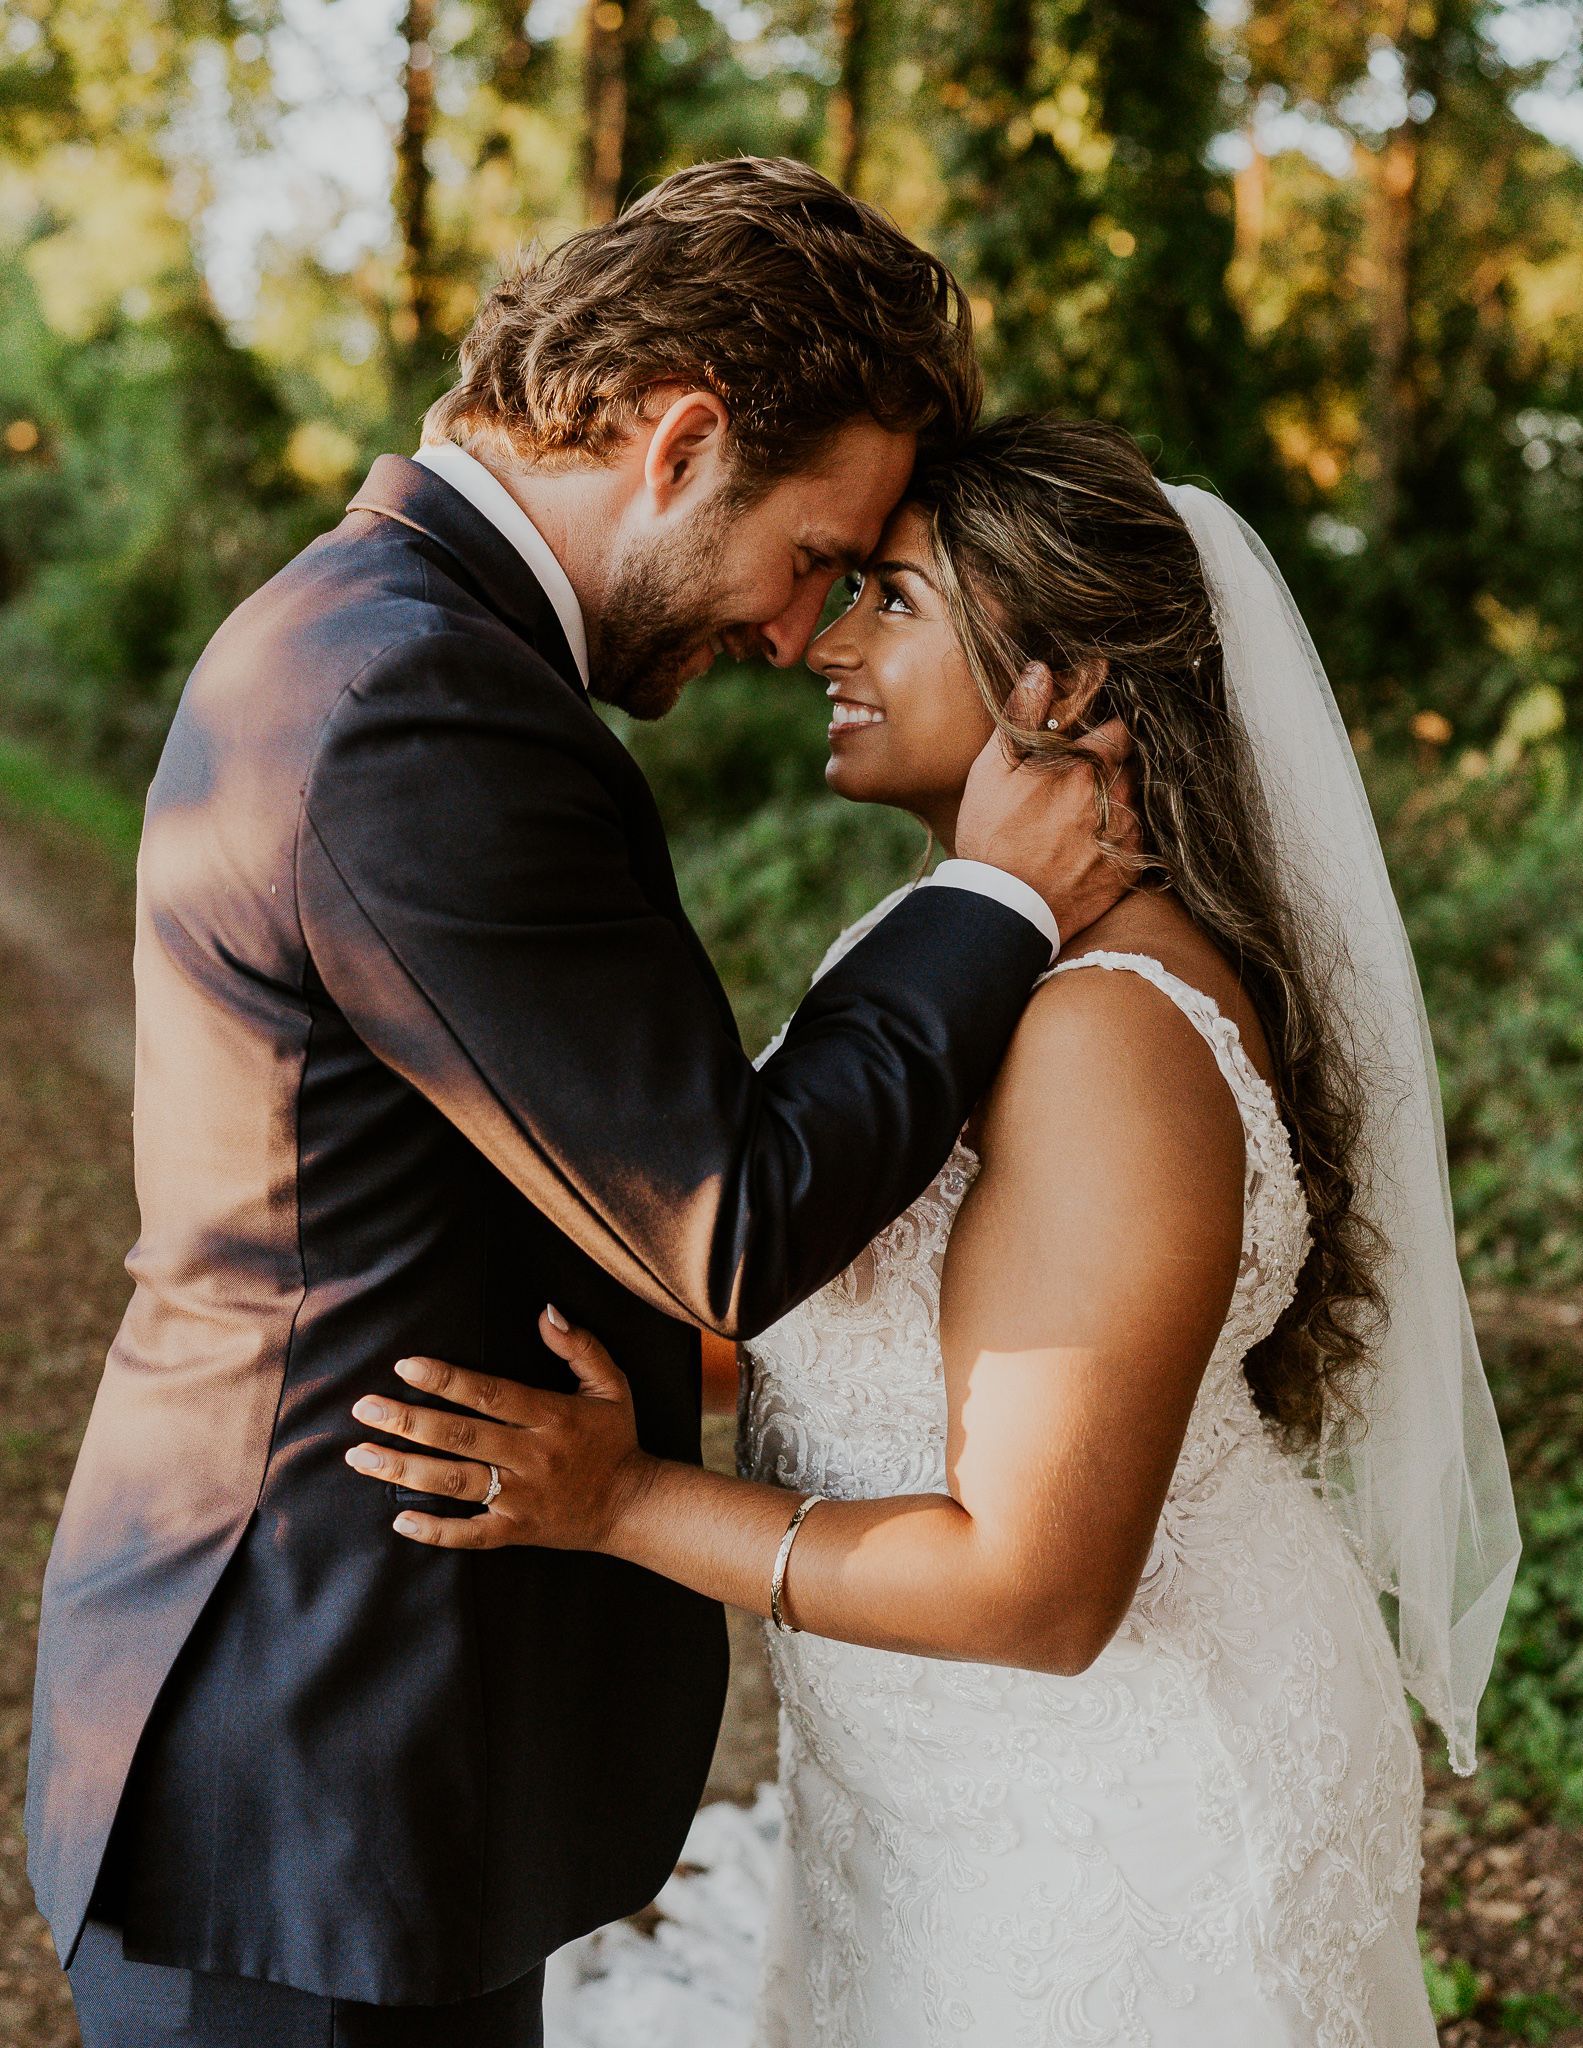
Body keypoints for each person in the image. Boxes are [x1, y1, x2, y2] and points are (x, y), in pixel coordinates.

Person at [27, 166, 1137, 2048]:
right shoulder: (407, 703)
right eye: (815, 556)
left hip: (376, 1744)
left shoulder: (393, 642)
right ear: (684, 439)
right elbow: (734, 1213)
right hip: (318, 1763)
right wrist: (997, 897)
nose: (800, 638)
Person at [350, 417, 1521, 2045]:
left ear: (1067, 682)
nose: (824, 640)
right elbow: (825, 1298)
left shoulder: (1107, 1035)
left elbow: (1035, 1590)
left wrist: (621, 1504)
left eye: (889, 600)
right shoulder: (956, 946)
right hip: (943, 1779)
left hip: (1115, 1802)